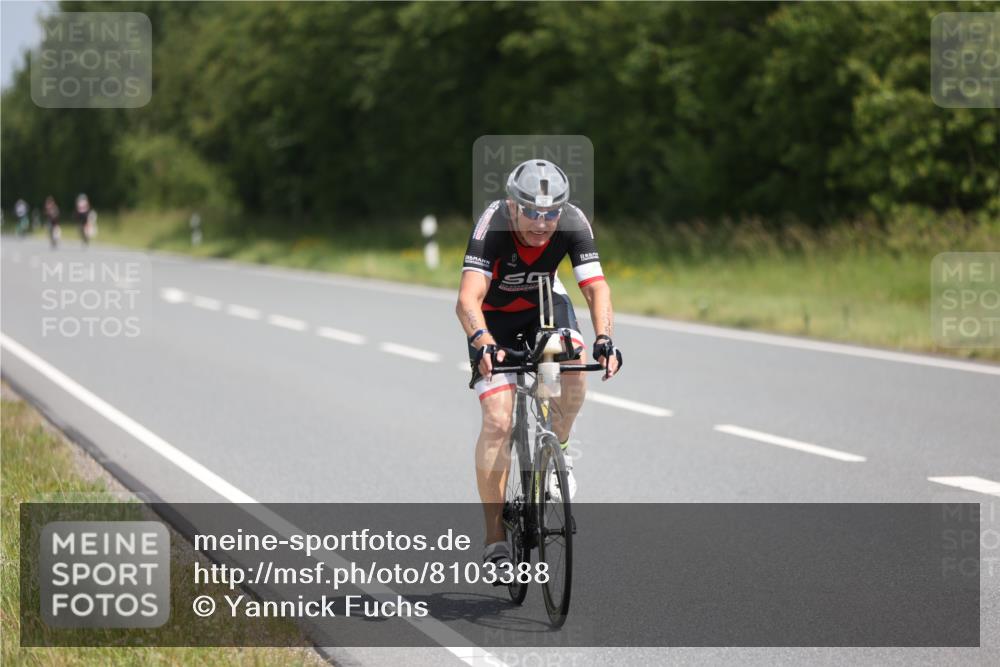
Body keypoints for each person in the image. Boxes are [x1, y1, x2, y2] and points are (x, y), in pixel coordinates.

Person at [455, 159, 623, 574]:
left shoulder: (573, 221)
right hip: (494, 321)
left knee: (574, 365)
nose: (543, 223)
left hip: (546, 309)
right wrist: (482, 342)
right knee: (497, 419)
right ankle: (495, 539)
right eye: (531, 212)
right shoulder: (493, 223)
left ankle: (558, 450)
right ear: (513, 205)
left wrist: (605, 338)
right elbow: (467, 300)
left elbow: (596, 286)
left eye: (551, 214)